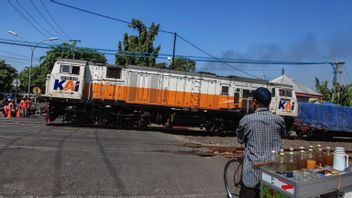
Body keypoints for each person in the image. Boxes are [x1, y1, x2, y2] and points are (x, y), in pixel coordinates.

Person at [236, 87, 286, 198]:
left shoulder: (246, 120)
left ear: (254, 102)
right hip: (273, 173)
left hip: (252, 175)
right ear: (269, 102)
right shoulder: (279, 120)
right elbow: (283, 134)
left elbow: (240, 139)